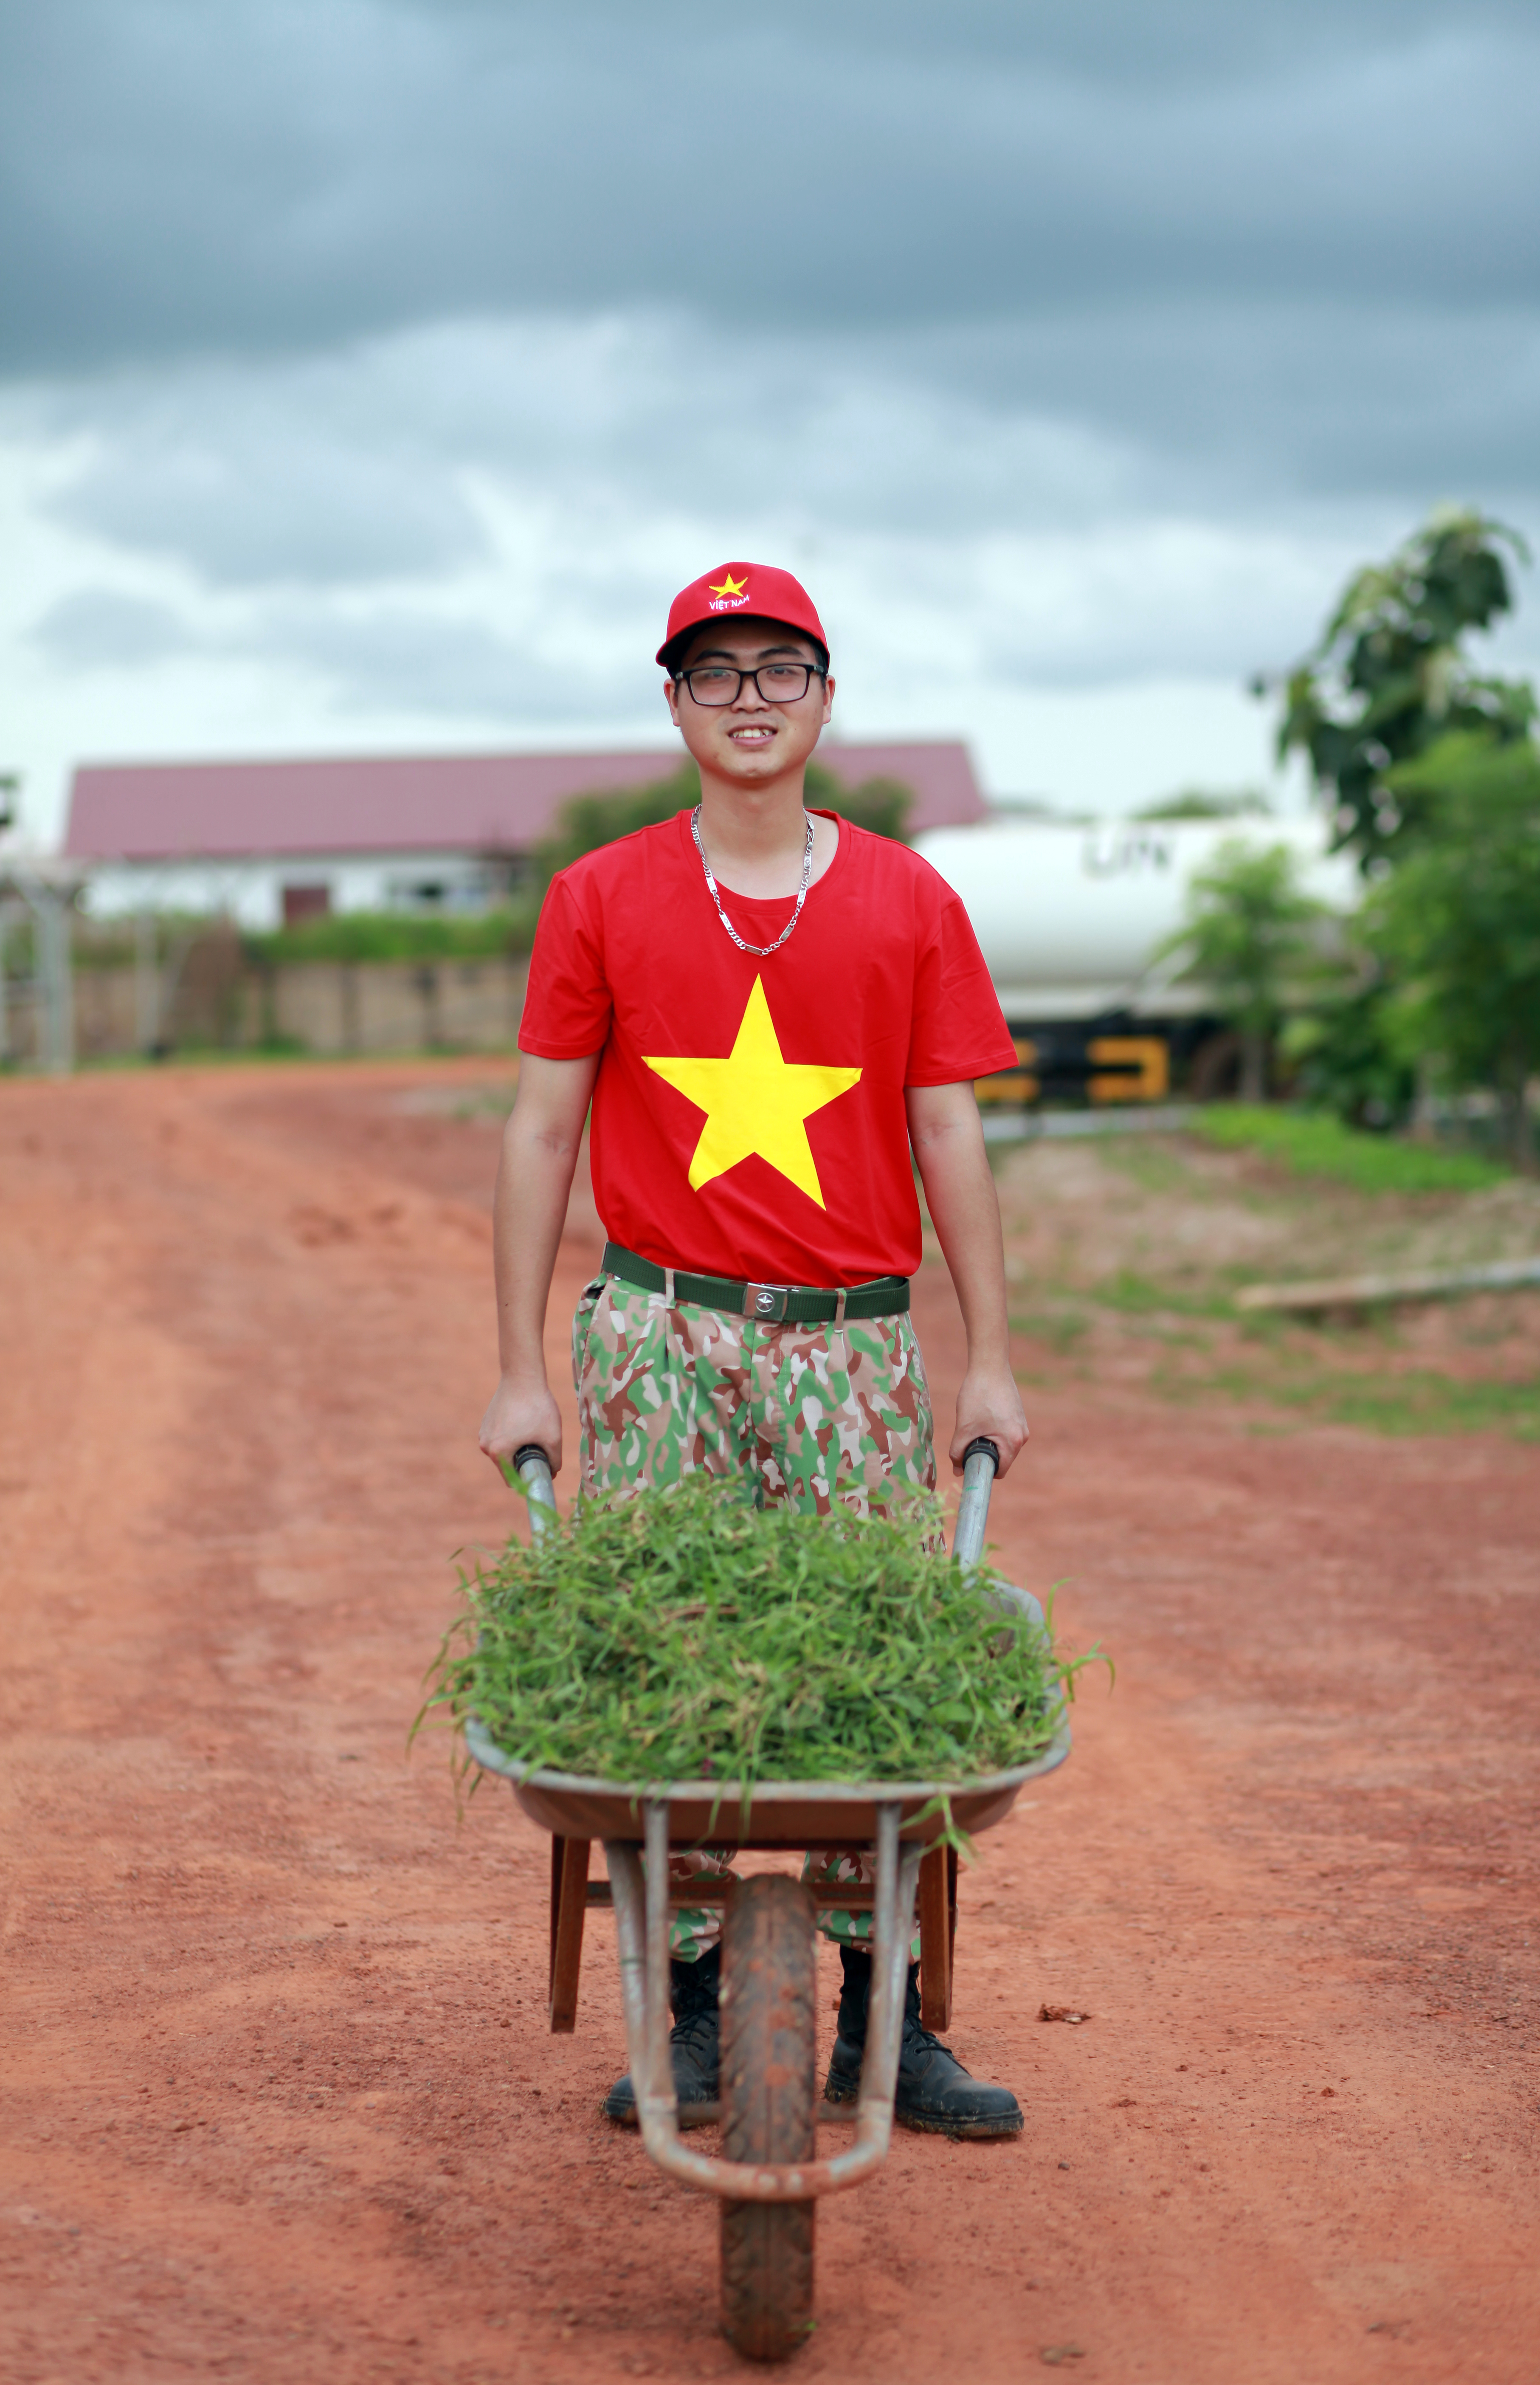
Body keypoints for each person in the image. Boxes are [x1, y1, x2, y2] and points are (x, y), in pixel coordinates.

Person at [480, 561, 1030, 2138]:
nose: (748, 697)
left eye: (778, 668)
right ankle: (709, 2012)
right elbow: (537, 1135)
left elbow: (949, 1128)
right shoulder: (597, 895)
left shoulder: (912, 899)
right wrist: (521, 1363)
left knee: (879, 1687)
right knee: (676, 1671)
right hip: (661, 1336)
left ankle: (889, 2020)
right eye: (713, 672)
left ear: (827, 697)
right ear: (674, 705)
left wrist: (986, 1351)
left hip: (857, 1348)